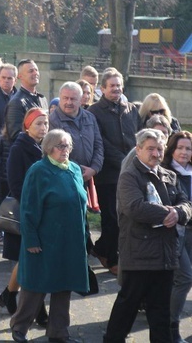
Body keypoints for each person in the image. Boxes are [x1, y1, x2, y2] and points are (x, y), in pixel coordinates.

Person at [103, 129, 192, 343]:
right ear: (138, 149)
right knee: (127, 307)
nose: (155, 153)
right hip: (139, 255)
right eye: (150, 148)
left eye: (159, 149)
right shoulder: (129, 176)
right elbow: (135, 208)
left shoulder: (169, 175)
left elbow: (187, 204)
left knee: (160, 312)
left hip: (165, 255)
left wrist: (178, 212)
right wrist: (169, 213)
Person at [10, 130, 89, 343]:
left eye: (68, 146)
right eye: (60, 146)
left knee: (64, 285)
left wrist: (85, 237)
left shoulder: (74, 169)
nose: (65, 150)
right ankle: (19, 327)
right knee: (36, 285)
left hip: (70, 240)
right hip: (45, 239)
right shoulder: (39, 171)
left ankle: (59, 332)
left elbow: (81, 205)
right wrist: (31, 239)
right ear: (48, 148)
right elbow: (28, 208)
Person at [88, 68, 141, 275]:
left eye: (119, 85)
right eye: (112, 86)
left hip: (130, 173)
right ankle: (110, 258)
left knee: (124, 217)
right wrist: (125, 160)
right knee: (111, 217)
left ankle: (101, 248)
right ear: (102, 89)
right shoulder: (94, 111)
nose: (116, 89)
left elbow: (137, 137)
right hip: (108, 174)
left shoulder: (131, 109)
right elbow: (100, 142)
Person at [0, 108, 49, 319]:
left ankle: (10, 294)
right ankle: (37, 310)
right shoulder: (19, 148)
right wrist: (33, 205)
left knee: (29, 260)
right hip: (27, 212)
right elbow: (15, 183)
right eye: (38, 123)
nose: (43, 127)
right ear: (27, 126)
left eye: (46, 123)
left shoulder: (46, 147)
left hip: (45, 212)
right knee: (30, 259)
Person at [162, 131, 192, 342]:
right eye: (180, 148)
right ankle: (171, 327)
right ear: (171, 150)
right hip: (176, 233)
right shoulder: (165, 172)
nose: (184, 152)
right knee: (184, 277)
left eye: (188, 148)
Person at [5, 59, 48, 142]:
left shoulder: (42, 99)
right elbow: (15, 134)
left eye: (36, 70)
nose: (35, 73)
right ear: (20, 76)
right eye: (31, 71)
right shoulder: (17, 102)